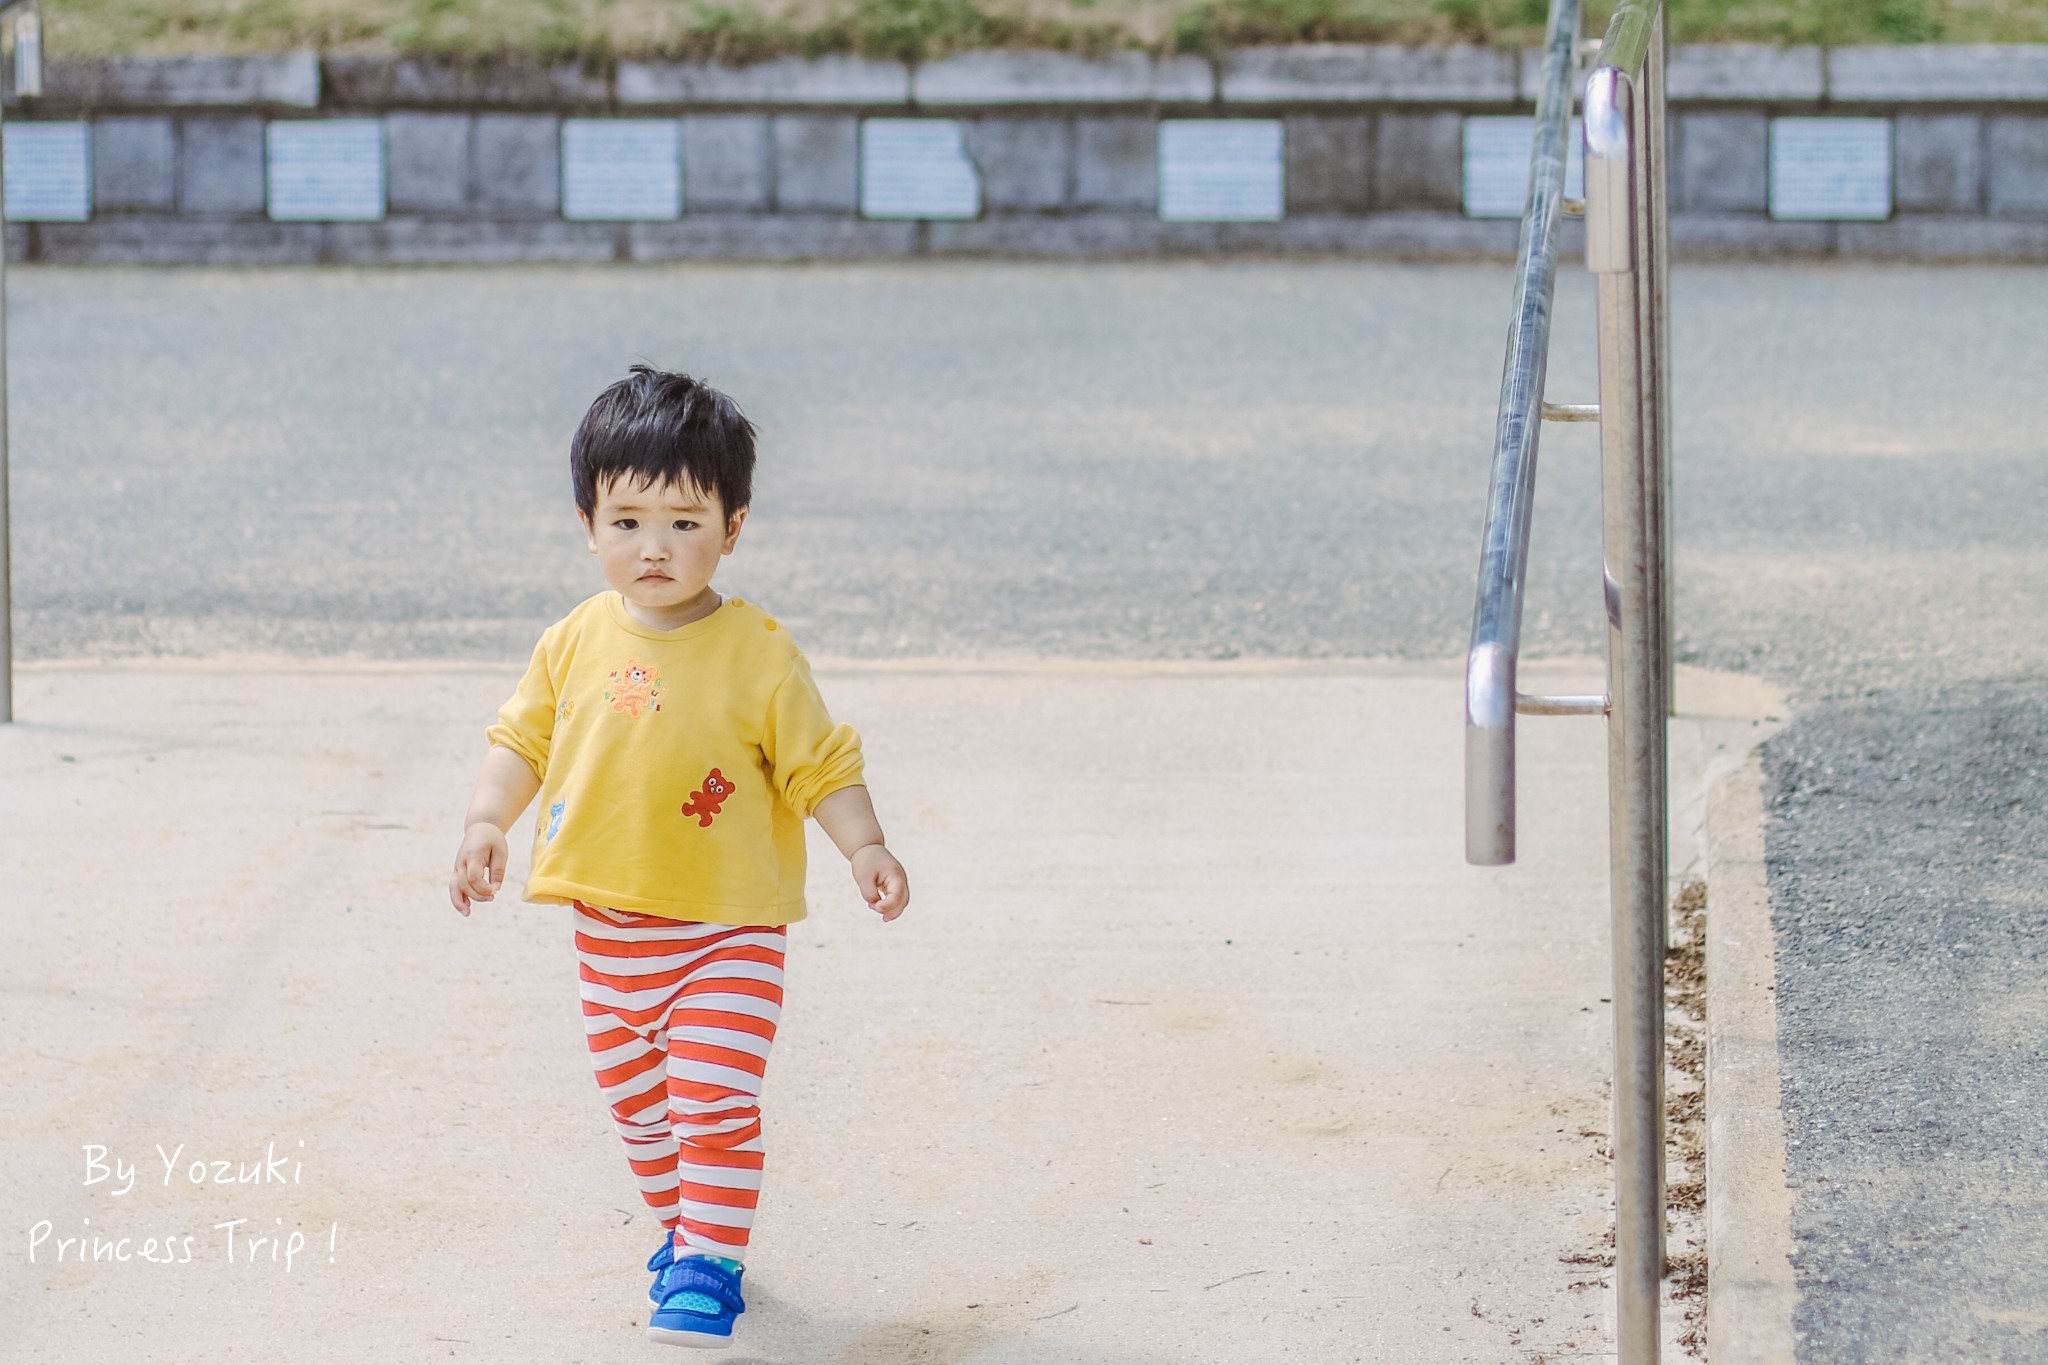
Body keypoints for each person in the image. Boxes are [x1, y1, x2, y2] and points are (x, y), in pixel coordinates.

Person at [446, 365, 909, 1349]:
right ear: (588, 521)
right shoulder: (573, 639)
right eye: (626, 523)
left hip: (723, 932)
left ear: (732, 526)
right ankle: (683, 1229)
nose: (653, 547)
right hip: (605, 939)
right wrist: (486, 822)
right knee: (641, 1117)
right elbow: (520, 740)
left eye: (684, 523)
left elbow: (819, 761)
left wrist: (862, 844)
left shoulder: (757, 654)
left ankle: (709, 1262)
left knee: (710, 1099)